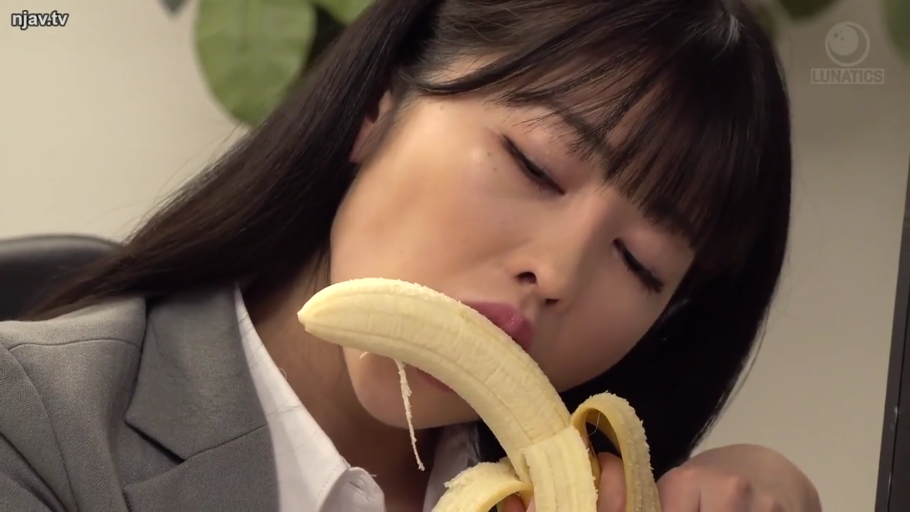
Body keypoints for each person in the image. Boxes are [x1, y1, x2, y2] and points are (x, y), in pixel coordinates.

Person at [0, 0, 821, 510]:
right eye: (534, 166)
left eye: (639, 262)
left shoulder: (596, 493)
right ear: (374, 106)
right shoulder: (31, 430)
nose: (558, 274)